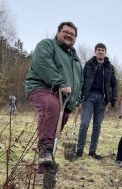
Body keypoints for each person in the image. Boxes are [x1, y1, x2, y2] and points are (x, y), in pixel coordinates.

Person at [25, 21, 83, 167]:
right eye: (66, 32)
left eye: (72, 34)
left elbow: (79, 81)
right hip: (42, 87)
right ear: (58, 33)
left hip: (65, 97)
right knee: (51, 106)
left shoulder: (75, 60)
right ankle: (45, 149)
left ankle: (46, 163)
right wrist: (60, 83)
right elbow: (42, 63)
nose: (69, 35)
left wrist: (77, 97)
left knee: (59, 122)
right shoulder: (47, 45)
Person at [76, 43, 118, 159]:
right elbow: (81, 80)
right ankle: (79, 151)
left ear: (105, 52)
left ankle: (92, 152)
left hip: (102, 99)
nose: (100, 52)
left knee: (97, 126)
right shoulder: (89, 64)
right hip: (89, 97)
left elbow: (114, 84)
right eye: (98, 50)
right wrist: (79, 95)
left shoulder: (110, 67)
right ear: (95, 52)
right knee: (84, 124)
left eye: (103, 50)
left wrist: (113, 97)